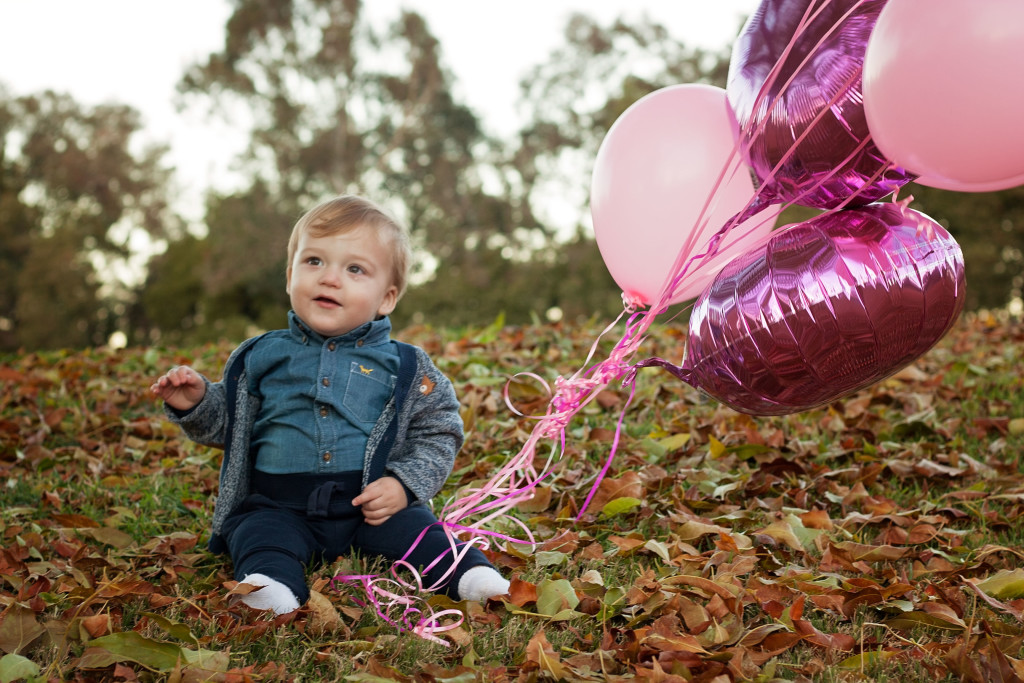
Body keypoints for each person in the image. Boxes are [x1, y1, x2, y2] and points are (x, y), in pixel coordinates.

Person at [151, 194, 509, 614]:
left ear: (387, 298)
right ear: (290, 275)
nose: (329, 278)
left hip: (369, 507)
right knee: (257, 534)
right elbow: (229, 425)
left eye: (354, 269)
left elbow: (440, 431)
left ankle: (470, 576)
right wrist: (195, 402)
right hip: (278, 505)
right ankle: (272, 587)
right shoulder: (261, 356)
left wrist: (404, 484)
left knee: (419, 533)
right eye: (314, 261)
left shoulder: (407, 367)